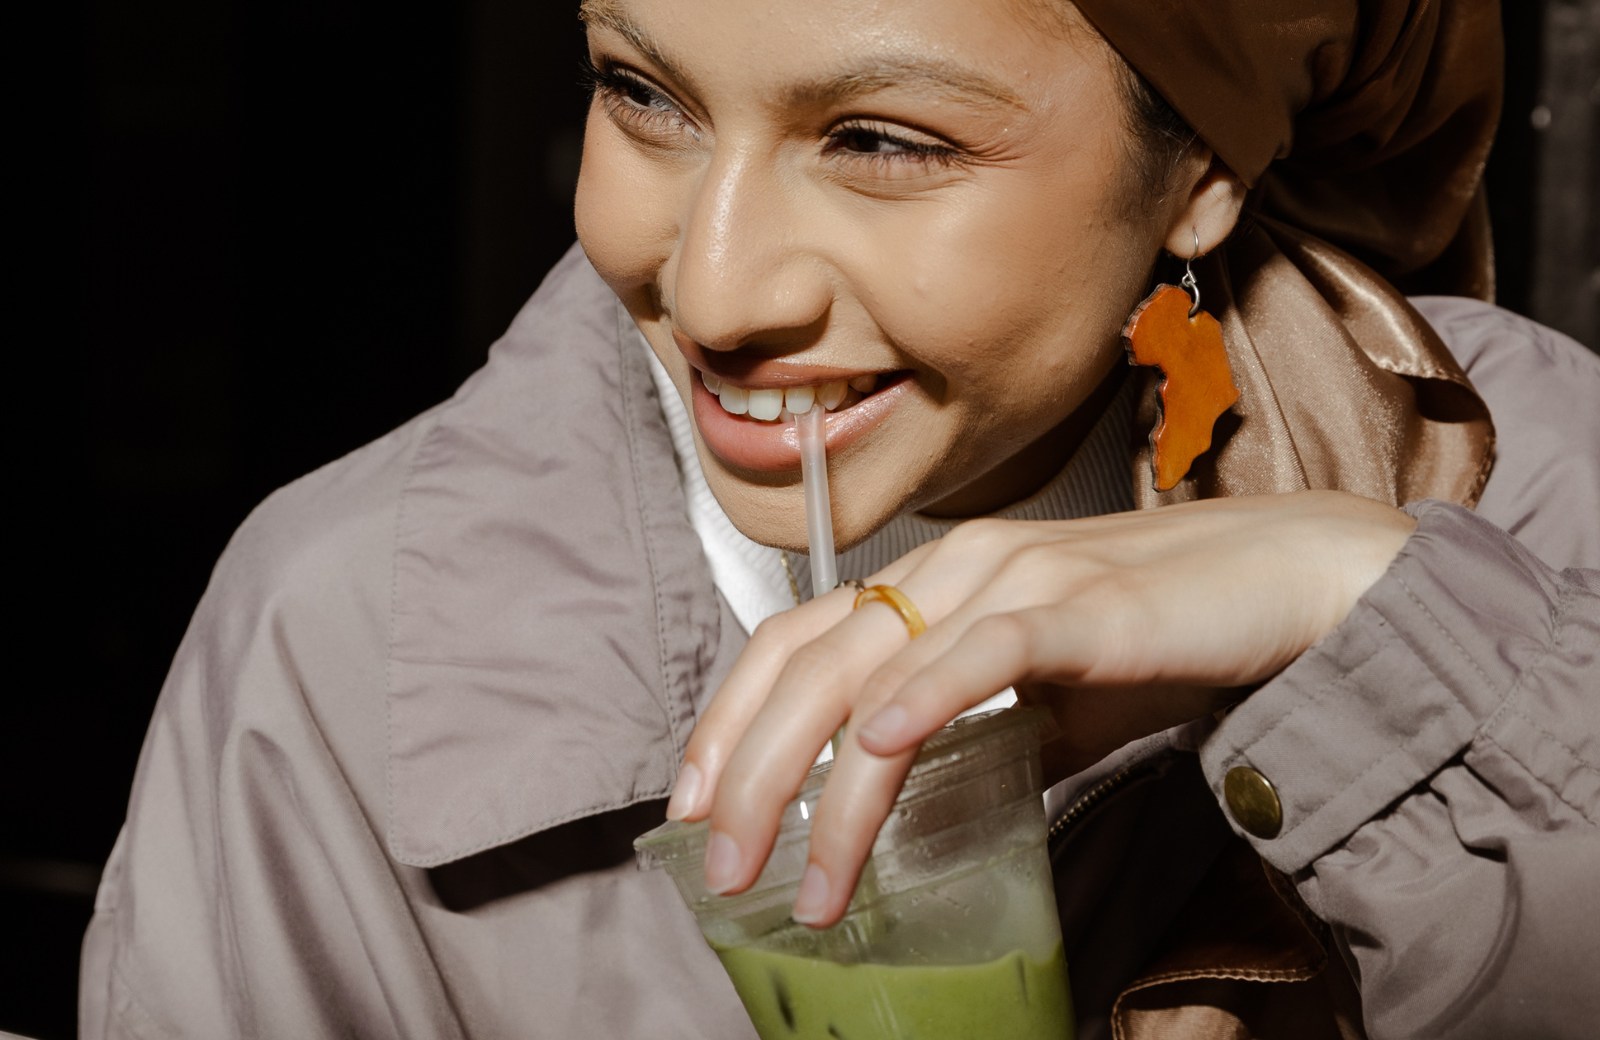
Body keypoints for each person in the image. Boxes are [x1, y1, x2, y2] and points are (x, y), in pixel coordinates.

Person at [81, 0, 1598, 1037]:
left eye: (880, 140)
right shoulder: (338, 628)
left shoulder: (1531, 490)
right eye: (642, 93)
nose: (718, 291)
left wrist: (1388, 631)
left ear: (1203, 166)